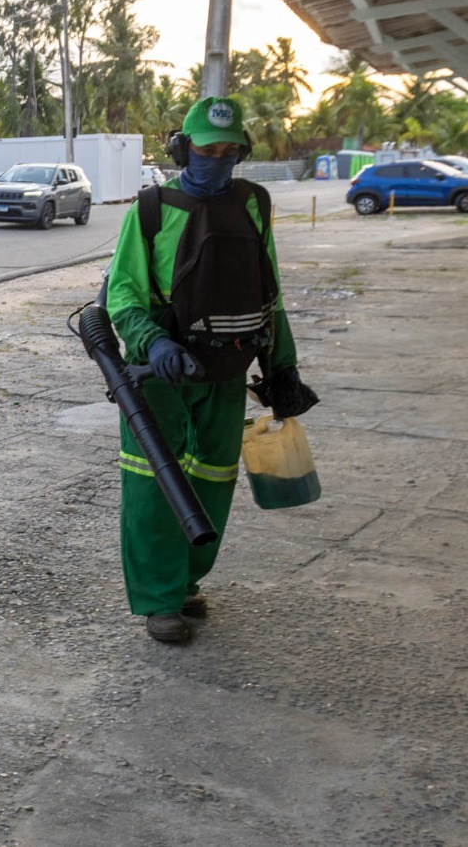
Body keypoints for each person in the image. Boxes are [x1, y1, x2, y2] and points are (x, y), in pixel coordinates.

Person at [104, 95, 317, 644]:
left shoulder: (254, 204)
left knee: (214, 477)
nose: (217, 160)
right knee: (155, 483)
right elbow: (123, 294)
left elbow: (270, 293)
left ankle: (187, 582)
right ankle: (159, 601)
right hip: (161, 374)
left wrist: (282, 366)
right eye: (206, 150)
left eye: (228, 151)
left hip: (227, 366)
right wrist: (152, 342)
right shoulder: (151, 209)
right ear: (182, 150)